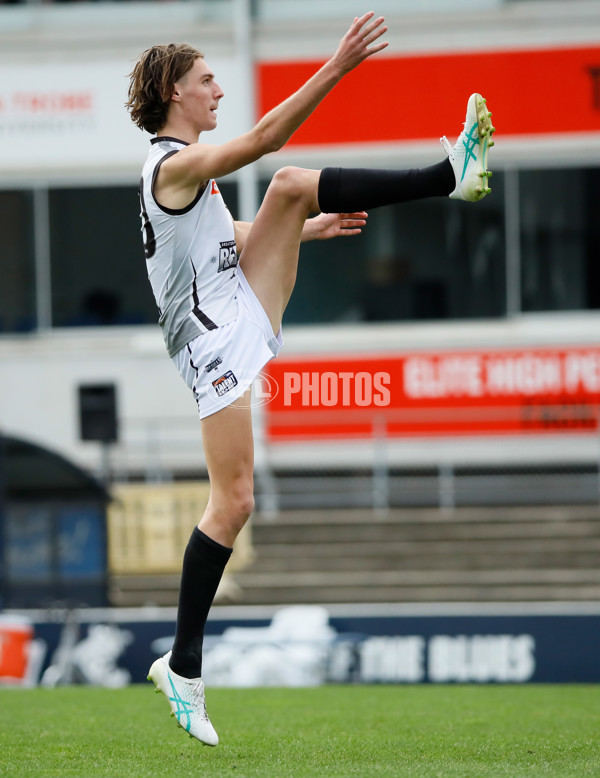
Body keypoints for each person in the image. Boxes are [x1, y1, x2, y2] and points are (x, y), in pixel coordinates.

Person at [126, 11, 495, 746]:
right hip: (210, 340)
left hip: (226, 311)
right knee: (232, 503)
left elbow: (210, 238)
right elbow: (262, 141)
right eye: (206, 80)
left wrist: (301, 226)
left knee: (293, 190)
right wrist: (337, 65)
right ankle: (183, 666)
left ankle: (452, 173)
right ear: (173, 90)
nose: (218, 90)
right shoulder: (171, 164)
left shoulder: (178, 171)